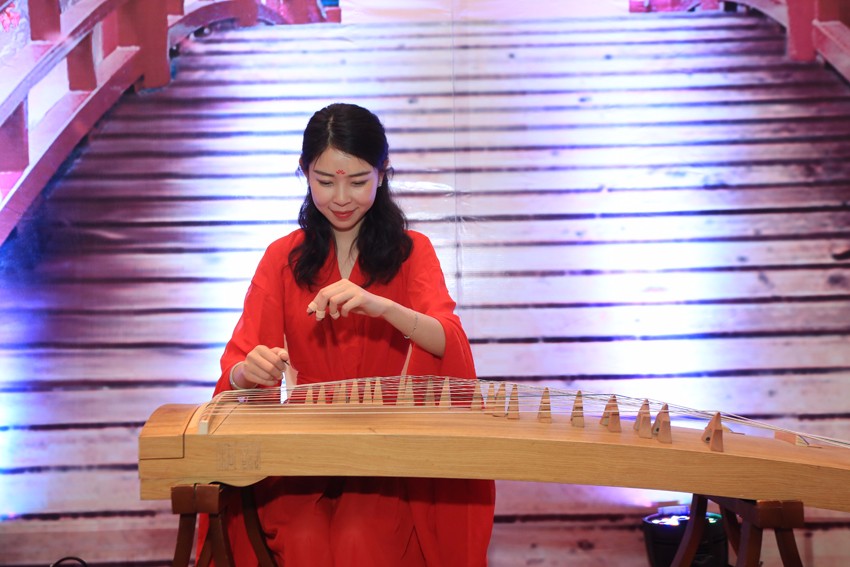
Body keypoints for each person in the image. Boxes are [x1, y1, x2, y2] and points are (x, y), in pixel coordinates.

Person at [199, 103, 495, 566]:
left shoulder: (412, 252)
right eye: (325, 181)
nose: (341, 197)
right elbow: (238, 365)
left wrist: (383, 307)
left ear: (383, 173)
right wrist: (247, 371)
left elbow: (447, 341)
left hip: (384, 452)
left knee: (361, 538)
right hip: (302, 453)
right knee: (305, 541)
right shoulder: (282, 258)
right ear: (304, 173)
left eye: (358, 182)